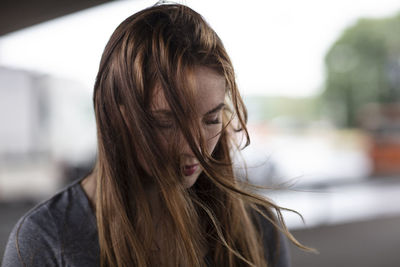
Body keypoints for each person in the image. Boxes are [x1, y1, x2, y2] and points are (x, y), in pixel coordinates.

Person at [2, 3, 309, 267]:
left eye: (211, 119)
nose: (196, 147)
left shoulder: (256, 224)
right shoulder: (44, 240)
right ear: (113, 113)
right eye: (166, 122)